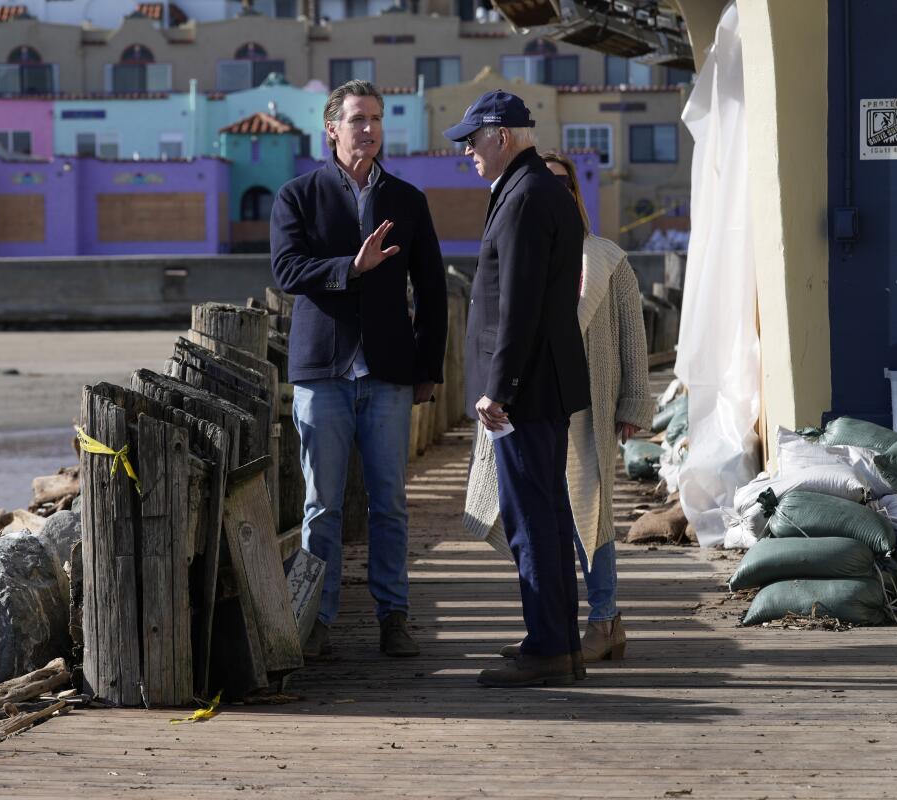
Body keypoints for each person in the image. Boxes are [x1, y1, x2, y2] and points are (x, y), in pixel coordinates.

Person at [270, 79, 448, 660]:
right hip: (322, 372)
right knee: (321, 505)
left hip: (389, 375)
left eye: (375, 119)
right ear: (331, 129)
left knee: (390, 504)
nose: (368, 129)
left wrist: (429, 366)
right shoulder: (297, 196)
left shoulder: (408, 200)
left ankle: (393, 616)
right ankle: (316, 619)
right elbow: (287, 270)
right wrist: (353, 266)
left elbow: (432, 291)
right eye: (357, 120)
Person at [464, 151, 652, 664]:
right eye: (545, 185)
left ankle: (604, 618)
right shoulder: (521, 252)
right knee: (539, 515)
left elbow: (632, 336)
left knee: (589, 516)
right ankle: (552, 630)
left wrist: (634, 401)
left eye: (565, 185)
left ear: (575, 195)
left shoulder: (607, 258)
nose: (555, 194)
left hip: (589, 402)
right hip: (531, 399)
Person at [445, 90, 590, 687]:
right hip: (542, 383)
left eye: (473, 140)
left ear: (501, 134)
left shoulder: (526, 196)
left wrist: (497, 387)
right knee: (547, 515)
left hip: (525, 390)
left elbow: (520, 305)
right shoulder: (533, 188)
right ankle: (557, 641)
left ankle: (550, 649)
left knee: (532, 518)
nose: (468, 153)